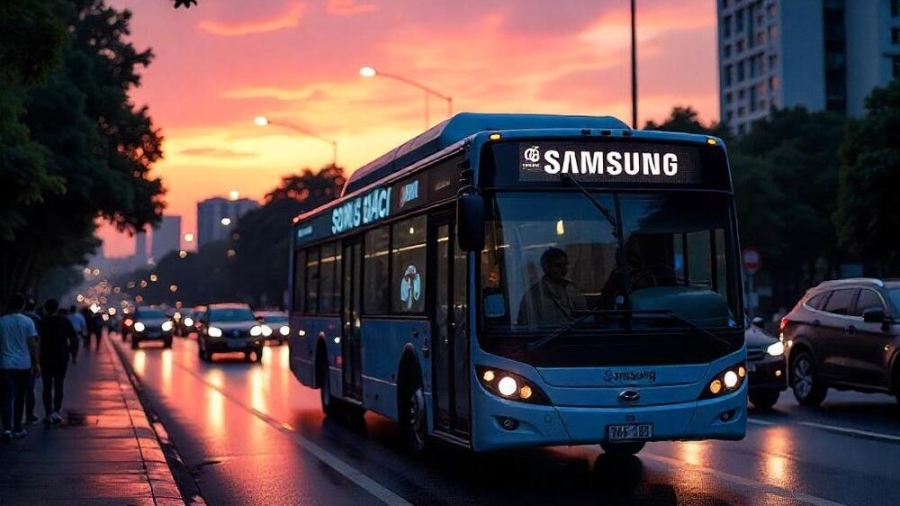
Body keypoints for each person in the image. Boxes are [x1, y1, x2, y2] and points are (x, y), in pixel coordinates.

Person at [0, 294, 40, 441]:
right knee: (19, 397)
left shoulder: (1, 322)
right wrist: (36, 363)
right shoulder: (28, 322)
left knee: (5, 398)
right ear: (22, 306)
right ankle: (18, 427)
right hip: (23, 365)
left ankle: (6, 429)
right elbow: (32, 344)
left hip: (5, 364)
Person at [517, 247, 587, 326]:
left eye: (565, 265)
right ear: (546, 267)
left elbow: (584, 317)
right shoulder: (534, 295)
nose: (563, 269)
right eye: (558, 265)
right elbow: (525, 326)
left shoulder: (572, 289)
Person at [37, 299, 78, 425]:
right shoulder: (64, 321)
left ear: (46, 309)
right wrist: (71, 353)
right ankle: (56, 411)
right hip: (61, 357)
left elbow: (36, 340)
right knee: (59, 385)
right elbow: (73, 339)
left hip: (45, 358)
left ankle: (48, 413)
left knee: (47, 386)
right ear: (57, 308)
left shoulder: (42, 322)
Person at [21, 297, 41, 425]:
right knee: (29, 389)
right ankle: (29, 415)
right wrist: (37, 361)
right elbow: (35, 342)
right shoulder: (35, 320)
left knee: (11, 394)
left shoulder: (3, 320)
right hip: (27, 359)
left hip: (6, 361)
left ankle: (9, 424)